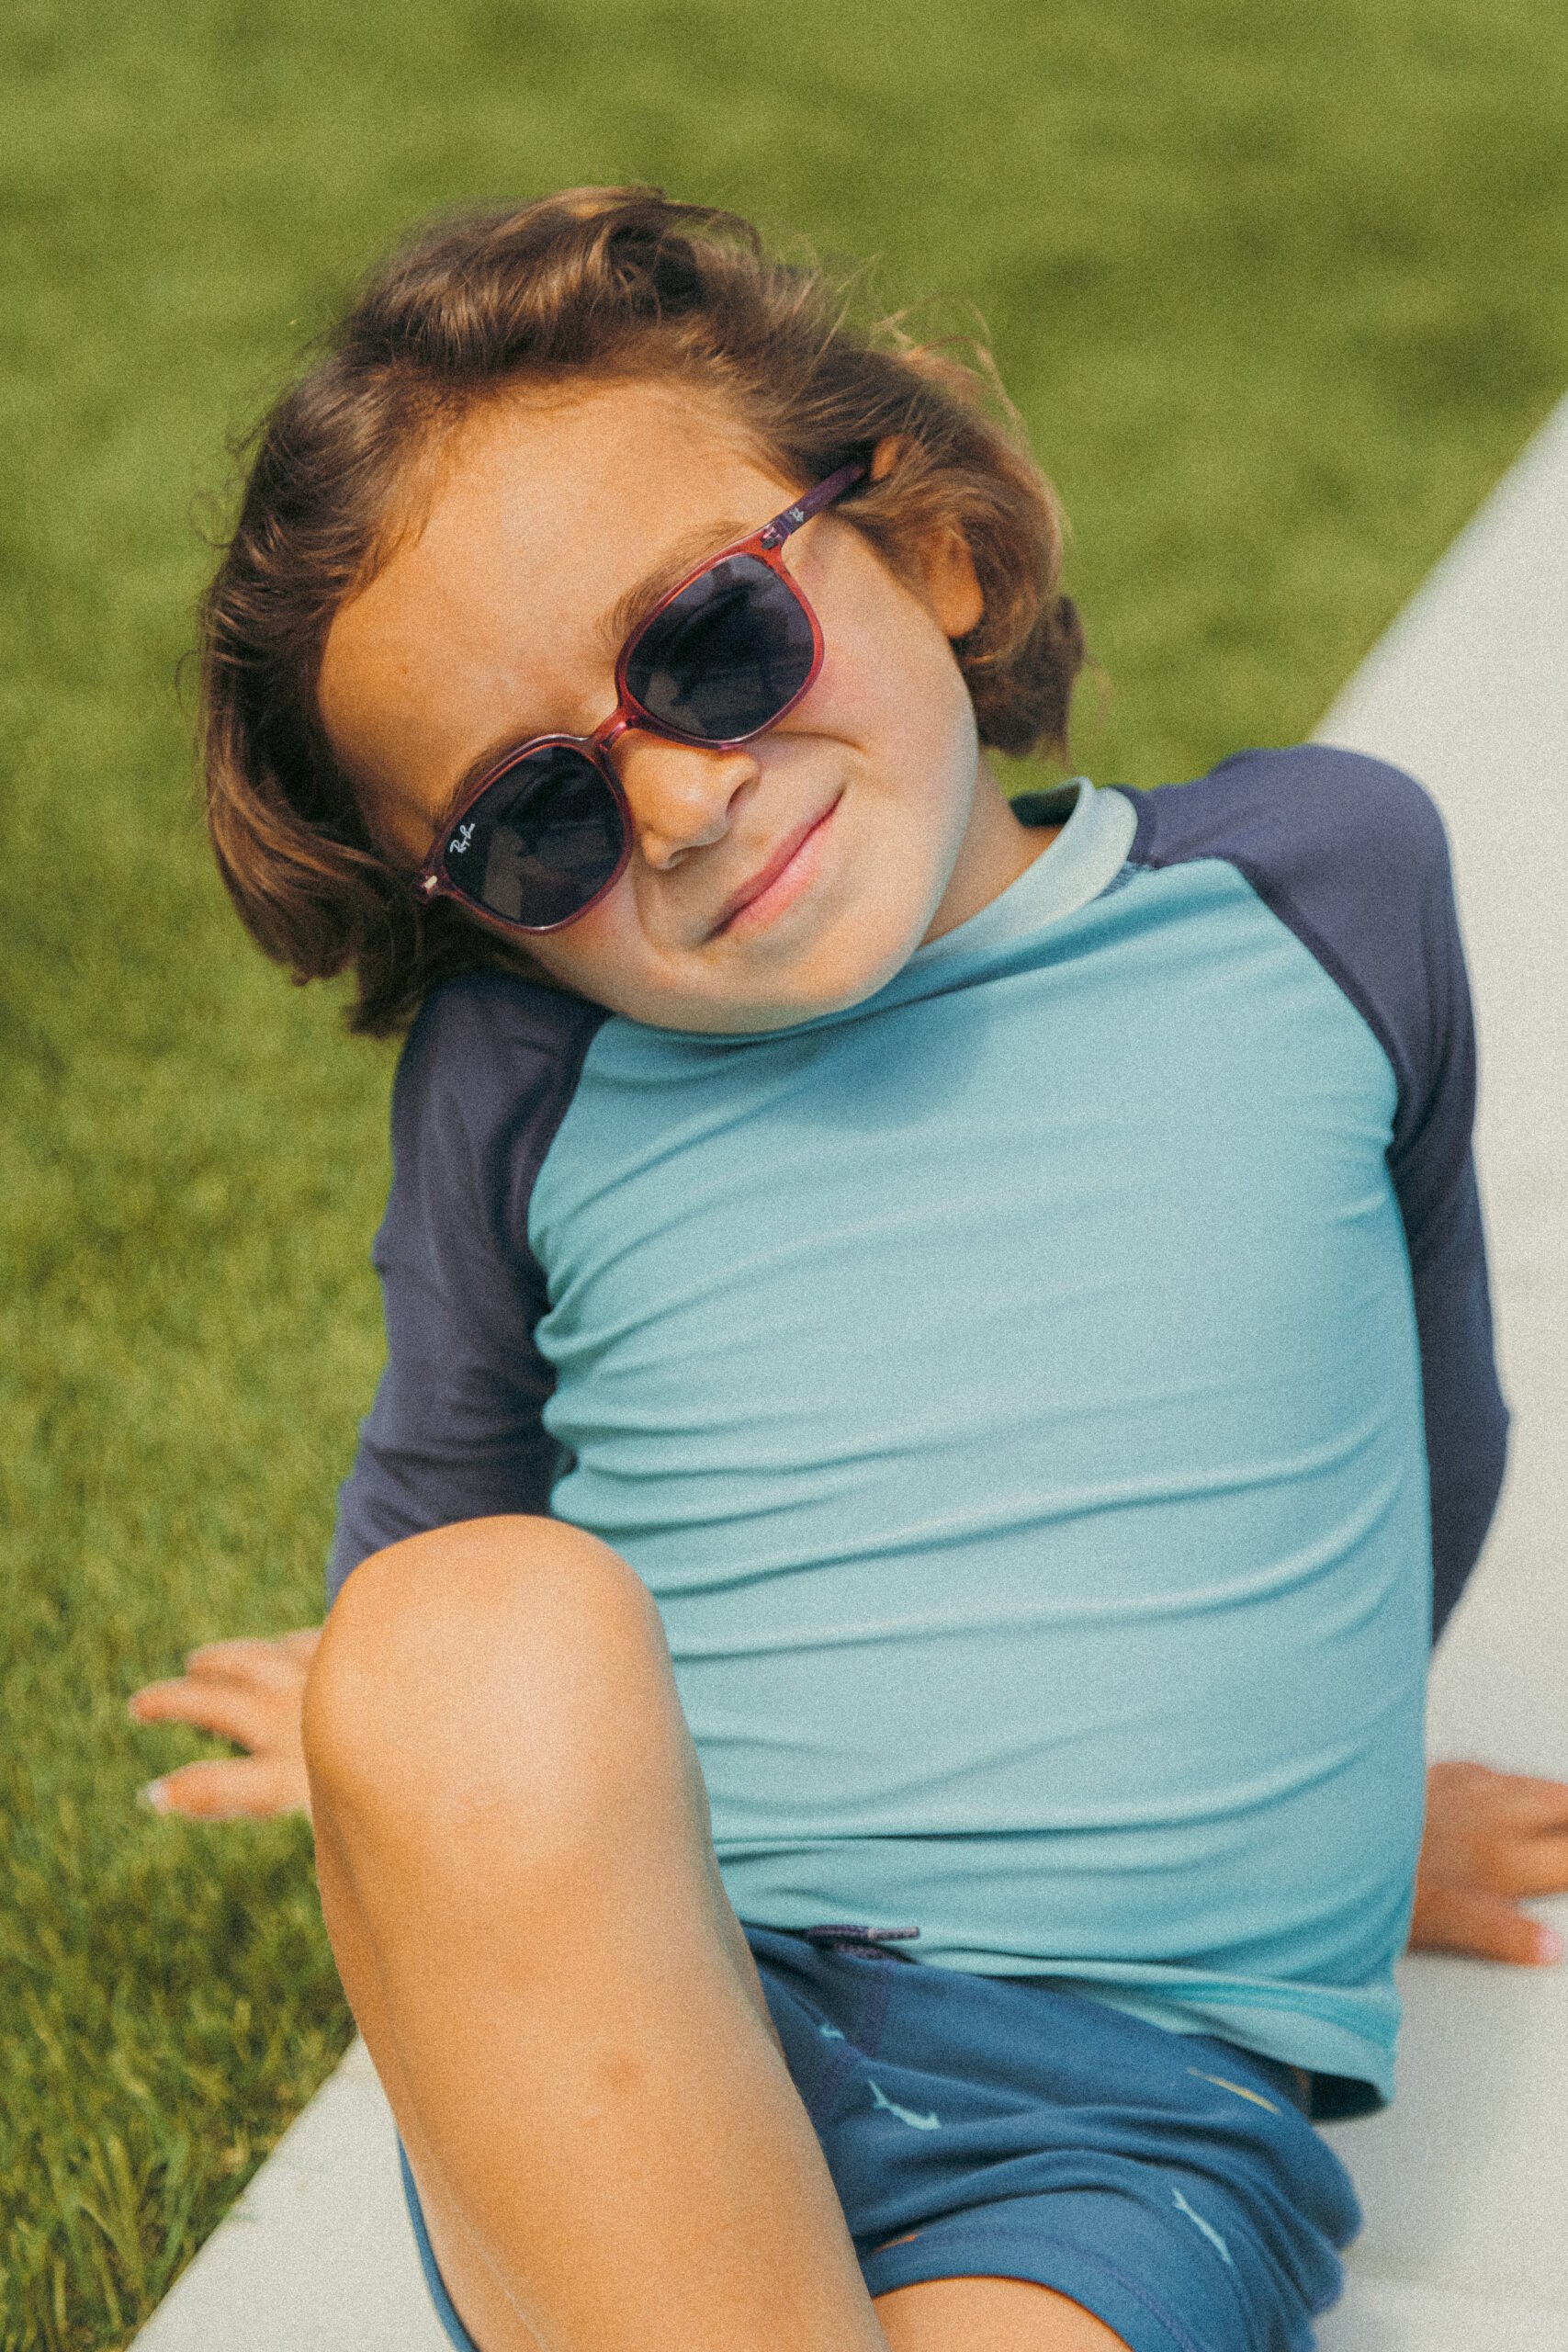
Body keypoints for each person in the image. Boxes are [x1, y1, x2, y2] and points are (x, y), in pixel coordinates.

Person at [129, 187, 1566, 2352]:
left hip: (1114, 2125)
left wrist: (1351, 1801)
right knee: (448, 1624)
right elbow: (444, 1477)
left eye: (708, 640)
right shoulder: (524, 1072)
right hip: (655, 2027)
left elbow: (1412, 1408)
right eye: (540, 819)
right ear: (488, 911)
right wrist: (395, 1738)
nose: (688, 804)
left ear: (933, 543)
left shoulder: (1314, 890)